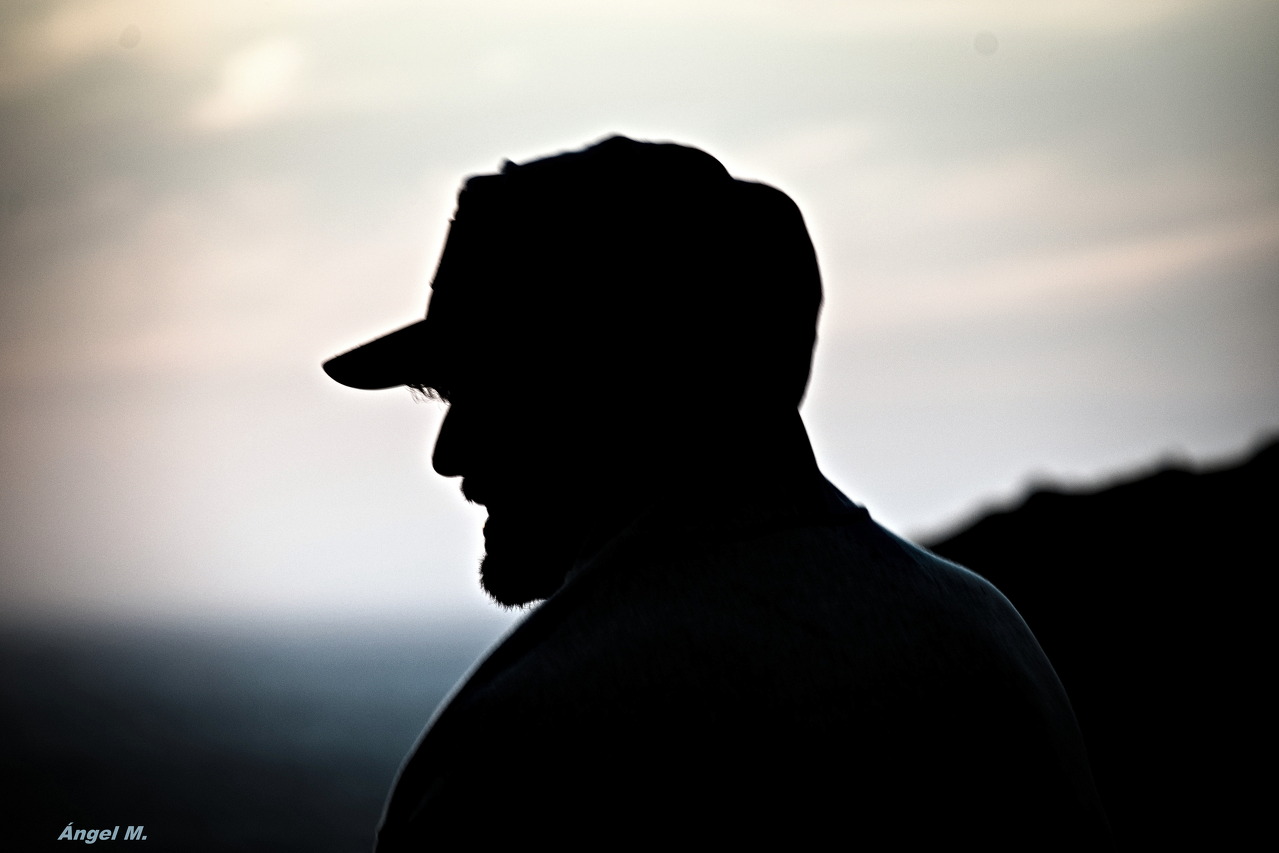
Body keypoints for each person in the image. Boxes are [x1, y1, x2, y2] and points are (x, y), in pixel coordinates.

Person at [323, 135, 1112, 849]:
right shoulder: (986, 638)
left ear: (613, 381)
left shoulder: (533, 744)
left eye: (486, 390)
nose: (449, 453)